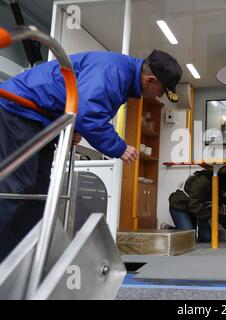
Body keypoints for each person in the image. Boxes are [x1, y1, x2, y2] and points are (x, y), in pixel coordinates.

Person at [0, 50, 182, 261]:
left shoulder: (121, 75)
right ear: (150, 80)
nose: (158, 97)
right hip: (19, 110)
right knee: (17, 187)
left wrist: (70, 130)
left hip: (42, 120)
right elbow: (89, 112)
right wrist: (119, 147)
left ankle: (19, 260)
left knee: (39, 193)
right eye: (160, 92)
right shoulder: (113, 71)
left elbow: (78, 104)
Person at [167, 170, 226, 242]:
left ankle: (185, 229)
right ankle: (169, 229)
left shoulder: (220, 189)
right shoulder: (202, 181)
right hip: (180, 207)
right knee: (189, 238)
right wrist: (218, 217)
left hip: (196, 211)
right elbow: (194, 206)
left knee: (206, 238)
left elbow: (205, 206)